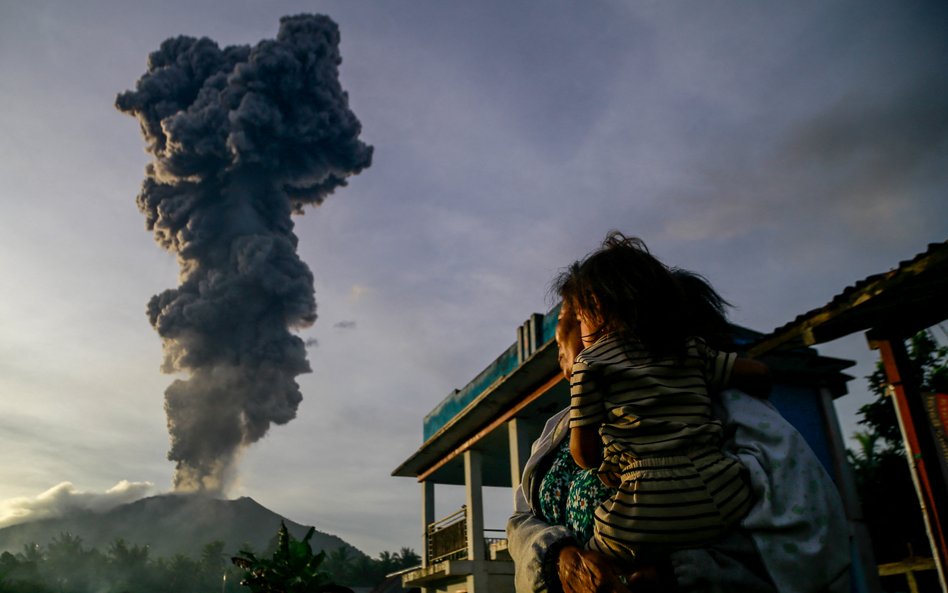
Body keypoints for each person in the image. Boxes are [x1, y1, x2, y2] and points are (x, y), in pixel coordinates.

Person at [507, 264, 853, 593]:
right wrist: (558, 559)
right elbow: (522, 519)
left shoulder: (723, 410)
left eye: (570, 324)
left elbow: (810, 544)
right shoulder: (559, 428)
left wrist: (681, 574)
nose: (561, 351)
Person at [556, 232, 769, 564]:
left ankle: (640, 578)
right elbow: (758, 373)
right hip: (722, 495)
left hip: (644, 504)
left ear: (596, 309)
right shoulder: (690, 349)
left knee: (594, 561)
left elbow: (583, 454)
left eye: (579, 318)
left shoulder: (592, 363)